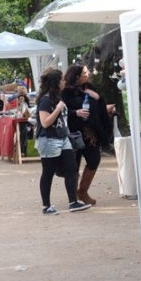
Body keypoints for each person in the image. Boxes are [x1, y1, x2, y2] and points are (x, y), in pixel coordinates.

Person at [34, 68, 91, 214]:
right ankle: (46, 206)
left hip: (63, 137)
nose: (64, 81)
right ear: (56, 82)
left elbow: (63, 116)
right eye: (62, 79)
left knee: (72, 169)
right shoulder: (46, 100)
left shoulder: (58, 98)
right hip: (48, 139)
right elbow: (45, 122)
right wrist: (58, 109)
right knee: (48, 172)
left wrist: (73, 112)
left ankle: (73, 202)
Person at [62, 64, 113, 206]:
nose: (88, 74)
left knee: (94, 159)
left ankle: (83, 191)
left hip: (90, 133)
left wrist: (98, 98)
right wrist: (76, 112)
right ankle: (73, 197)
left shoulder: (90, 88)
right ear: (77, 76)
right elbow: (62, 110)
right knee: (74, 165)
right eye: (85, 72)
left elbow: (96, 107)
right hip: (73, 133)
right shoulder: (66, 92)